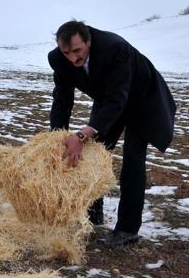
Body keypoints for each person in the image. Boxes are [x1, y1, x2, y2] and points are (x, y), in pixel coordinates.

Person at [48, 20, 176, 246]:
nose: (73, 58)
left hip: (142, 99)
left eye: (78, 51)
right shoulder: (58, 58)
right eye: (67, 52)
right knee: (95, 154)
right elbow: (62, 99)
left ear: (89, 41)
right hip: (109, 99)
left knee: (132, 160)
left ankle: (127, 230)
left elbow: (119, 99)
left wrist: (80, 135)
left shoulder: (114, 48)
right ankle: (93, 215)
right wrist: (57, 136)